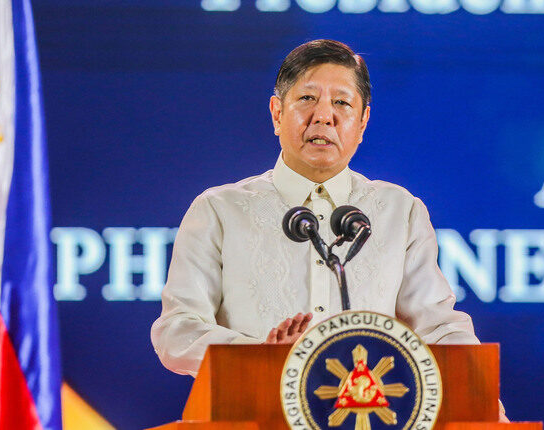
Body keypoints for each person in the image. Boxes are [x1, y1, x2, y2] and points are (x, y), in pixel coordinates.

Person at [150, 39, 507, 421]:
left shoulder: (399, 211)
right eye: (307, 98)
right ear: (276, 113)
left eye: (341, 102)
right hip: (254, 419)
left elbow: (438, 327)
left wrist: (489, 409)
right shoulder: (220, 210)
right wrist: (259, 357)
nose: (323, 116)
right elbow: (177, 331)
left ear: (362, 122)